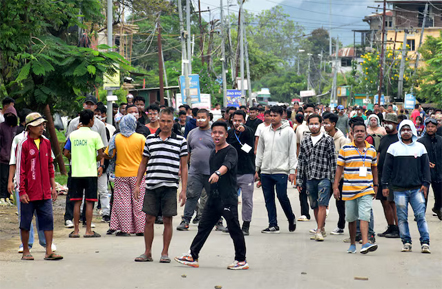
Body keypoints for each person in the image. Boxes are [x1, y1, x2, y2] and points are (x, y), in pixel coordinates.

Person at [174, 121, 248, 270]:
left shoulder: (230, 150)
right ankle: (193, 256)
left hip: (227, 198)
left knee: (234, 228)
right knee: (203, 227)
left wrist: (218, 173)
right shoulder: (213, 153)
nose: (217, 135)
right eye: (214, 132)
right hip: (214, 198)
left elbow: (227, 164)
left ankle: (241, 260)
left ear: (226, 135)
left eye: (220, 133)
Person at [133, 107, 188, 263]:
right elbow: (143, 163)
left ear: (173, 122)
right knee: (149, 219)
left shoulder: (181, 142)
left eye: (168, 121)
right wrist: (138, 184)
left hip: (170, 186)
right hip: (151, 185)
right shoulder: (150, 139)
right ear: (158, 120)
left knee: (167, 220)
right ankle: (147, 252)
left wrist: (184, 190)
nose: (165, 124)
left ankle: (164, 253)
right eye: (162, 121)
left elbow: (184, 167)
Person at [18, 112, 62, 261]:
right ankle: (25, 250)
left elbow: (50, 165)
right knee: (26, 221)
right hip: (29, 192)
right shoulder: (23, 144)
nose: (42, 127)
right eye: (38, 125)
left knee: (48, 219)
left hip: (45, 192)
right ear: (29, 127)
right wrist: (22, 191)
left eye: (43, 124)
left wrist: (53, 186)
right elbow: (20, 169)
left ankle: (49, 250)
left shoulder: (46, 142)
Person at [382, 120, 431, 253]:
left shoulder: (420, 147)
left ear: (413, 131)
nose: (405, 132)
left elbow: (426, 168)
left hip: (417, 189)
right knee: (402, 218)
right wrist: (385, 185)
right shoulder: (393, 148)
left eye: (408, 129)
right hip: (399, 190)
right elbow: (387, 168)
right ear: (399, 132)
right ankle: (406, 242)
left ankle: (425, 242)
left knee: (420, 216)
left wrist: (426, 184)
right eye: (403, 130)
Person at [334, 121, 379, 254]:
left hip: (366, 188)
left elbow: (374, 168)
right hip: (349, 189)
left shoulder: (371, 149)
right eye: (357, 131)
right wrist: (336, 186)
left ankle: (365, 243)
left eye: (362, 131)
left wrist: (376, 185)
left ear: (366, 133)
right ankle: (353, 243)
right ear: (352, 133)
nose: (359, 133)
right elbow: (339, 168)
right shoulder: (345, 149)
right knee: (351, 218)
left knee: (365, 215)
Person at [64, 95, 108, 228]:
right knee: (87, 199)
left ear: (95, 106)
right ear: (91, 120)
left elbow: (66, 151)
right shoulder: (74, 124)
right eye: (87, 104)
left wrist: (74, 157)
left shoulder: (98, 127)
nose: (89, 106)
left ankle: (78, 228)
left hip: (80, 168)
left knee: (77, 199)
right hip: (88, 168)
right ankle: (81, 224)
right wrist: (95, 159)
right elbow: (102, 152)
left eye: (91, 104)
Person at [255, 106, 297, 233]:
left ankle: (291, 217)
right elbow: (260, 151)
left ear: (282, 116)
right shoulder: (264, 131)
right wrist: (257, 168)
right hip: (266, 170)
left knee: (282, 196)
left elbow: (292, 152)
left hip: (281, 169)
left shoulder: (289, 131)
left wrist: (292, 171)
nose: (272, 118)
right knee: (268, 198)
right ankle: (273, 224)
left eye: (275, 115)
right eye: (271, 115)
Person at [104, 115, 147, 236]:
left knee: (123, 203)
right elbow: (147, 155)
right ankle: (141, 229)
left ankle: (125, 229)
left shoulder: (116, 138)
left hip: (121, 174)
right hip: (138, 174)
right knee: (139, 201)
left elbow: (109, 154)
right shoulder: (141, 138)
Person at [297, 113, 336, 241]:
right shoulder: (305, 140)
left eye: (316, 123)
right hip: (309, 177)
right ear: (308, 125)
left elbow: (332, 160)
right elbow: (301, 160)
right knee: (314, 204)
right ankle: (321, 226)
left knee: (322, 204)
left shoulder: (328, 139)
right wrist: (299, 180)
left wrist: (334, 180)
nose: (314, 126)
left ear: (321, 125)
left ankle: (318, 230)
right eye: (311, 124)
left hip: (324, 176)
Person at [177, 109, 216, 231]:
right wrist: (182, 168)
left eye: (203, 117)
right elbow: (187, 153)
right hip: (194, 172)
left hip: (211, 172)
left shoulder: (214, 133)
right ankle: (186, 220)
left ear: (208, 118)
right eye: (198, 117)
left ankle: (218, 221)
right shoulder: (192, 133)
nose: (200, 120)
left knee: (214, 197)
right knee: (192, 195)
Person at [227, 110, 255, 235]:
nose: (237, 123)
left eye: (240, 120)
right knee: (230, 199)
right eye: (235, 120)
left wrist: (243, 129)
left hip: (247, 171)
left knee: (247, 200)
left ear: (244, 121)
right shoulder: (229, 133)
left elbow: (248, 134)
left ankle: (246, 225)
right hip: (232, 172)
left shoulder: (248, 132)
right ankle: (233, 223)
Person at [323, 113, 349, 235]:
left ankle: (341, 225)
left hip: (341, 177)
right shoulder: (323, 137)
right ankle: (320, 226)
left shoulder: (343, 140)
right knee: (321, 202)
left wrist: (338, 179)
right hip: (326, 175)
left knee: (340, 203)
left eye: (327, 123)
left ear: (333, 124)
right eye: (323, 123)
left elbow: (345, 161)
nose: (325, 125)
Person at [376, 114, 400, 239]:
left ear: (396, 124)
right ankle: (391, 226)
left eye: (389, 122)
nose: (387, 124)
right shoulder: (384, 138)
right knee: (384, 202)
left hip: (393, 175)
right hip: (381, 174)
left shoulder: (399, 138)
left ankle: (399, 228)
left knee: (393, 202)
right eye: (385, 122)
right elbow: (379, 154)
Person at [418, 118, 442, 220]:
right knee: (424, 194)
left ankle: (437, 208)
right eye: (428, 127)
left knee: (440, 193)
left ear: (436, 128)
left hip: (439, 171)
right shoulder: (420, 142)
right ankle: (420, 213)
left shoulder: (441, 140)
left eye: (432, 127)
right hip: (425, 172)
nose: (430, 129)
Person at [0, 105, 18, 205]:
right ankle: (2, 196)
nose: (10, 116)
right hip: (3, 157)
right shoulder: (1, 126)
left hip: (14, 158)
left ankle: (9, 196)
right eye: (8, 114)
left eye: (12, 115)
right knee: (3, 178)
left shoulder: (17, 128)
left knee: (11, 179)